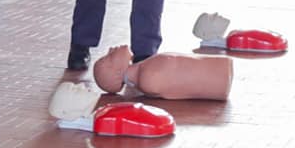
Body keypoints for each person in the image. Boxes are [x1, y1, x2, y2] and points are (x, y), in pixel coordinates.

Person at [93, 45, 233, 101]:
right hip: (220, 79)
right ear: (117, 72)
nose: (111, 49)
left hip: (220, 75)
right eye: (109, 56)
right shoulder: (148, 78)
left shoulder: (146, 73)